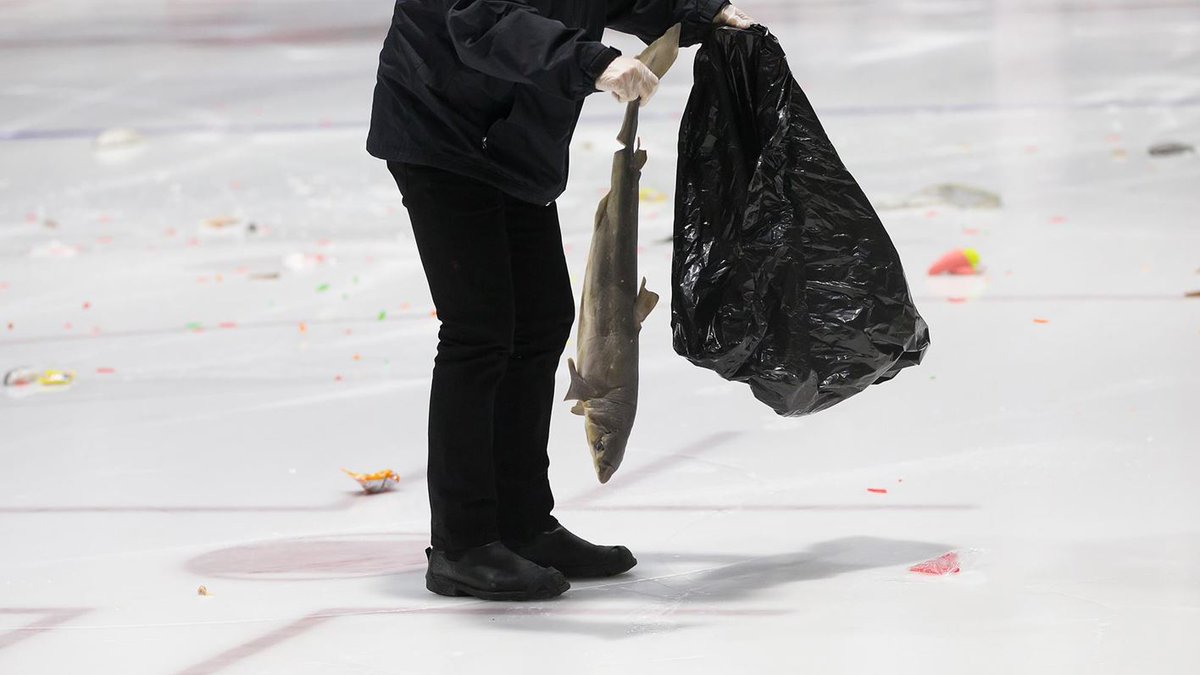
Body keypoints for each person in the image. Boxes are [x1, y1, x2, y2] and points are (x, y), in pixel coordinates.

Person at [366, 0, 756, 601]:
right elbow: (478, 19)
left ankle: (523, 524)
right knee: (480, 330)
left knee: (541, 321)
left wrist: (703, 14)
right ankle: (462, 545)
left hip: (514, 134)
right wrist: (590, 61)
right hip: (441, 125)